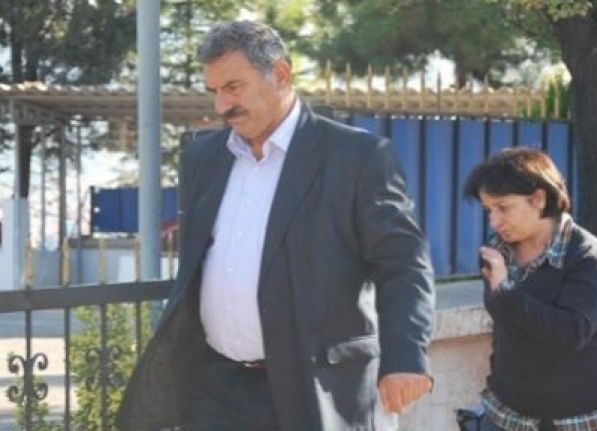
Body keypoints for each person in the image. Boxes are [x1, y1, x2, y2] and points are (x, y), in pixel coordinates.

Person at [116, 20, 435, 431]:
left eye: (234, 87)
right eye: (215, 91)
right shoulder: (203, 158)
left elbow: (403, 263)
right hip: (216, 386)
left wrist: (405, 357)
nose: (222, 106)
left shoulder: (356, 156)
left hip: (314, 387)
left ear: (281, 74)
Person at [464, 148, 597, 431]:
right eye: (488, 210)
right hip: (510, 416)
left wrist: (506, 293)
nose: (494, 221)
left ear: (539, 199)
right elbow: (507, 326)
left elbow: (572, 333)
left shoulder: (586, 255)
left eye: (503, 207)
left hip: (589, 419)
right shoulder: (497, 253)